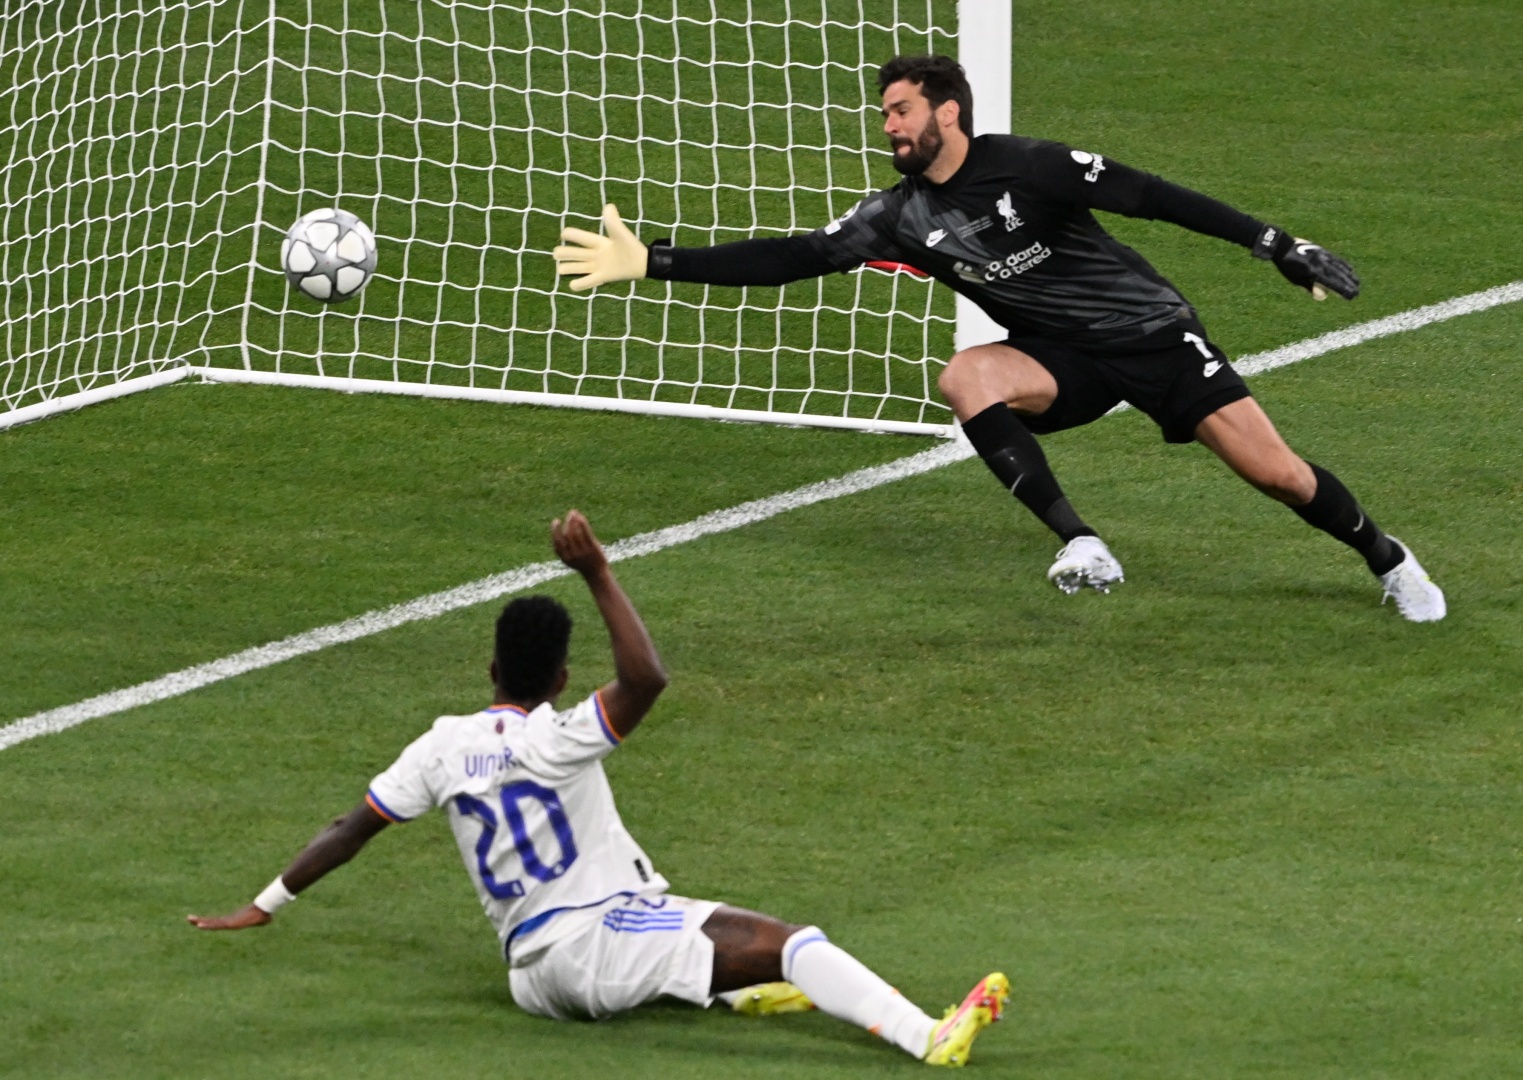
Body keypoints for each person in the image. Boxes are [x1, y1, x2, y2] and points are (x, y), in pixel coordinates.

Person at [552, 55, 1445, 622]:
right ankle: (1078, 540)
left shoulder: (1029, 165)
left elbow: (1154, 194)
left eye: (900, 110)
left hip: (1151, 336)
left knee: (1275, 474)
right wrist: (654, 262)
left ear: (946, 112)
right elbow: (800, 255)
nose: (888, 126)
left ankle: (1387, 559)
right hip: (1061, 364)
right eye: (884, 113)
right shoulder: (898, 215)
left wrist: (1273, 245)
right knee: (965, 376)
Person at [188, 510, 1010, 1068]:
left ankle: (735, 993)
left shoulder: (442, 745)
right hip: (596, 948)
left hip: (529, 976)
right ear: (559, 679)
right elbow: (647, 677)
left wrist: (264, 902)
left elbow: (350, 827)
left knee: (669, 902)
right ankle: (926, 1037)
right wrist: (598, 571)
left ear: (489, 672)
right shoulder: (558, 734)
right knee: (794, 939)